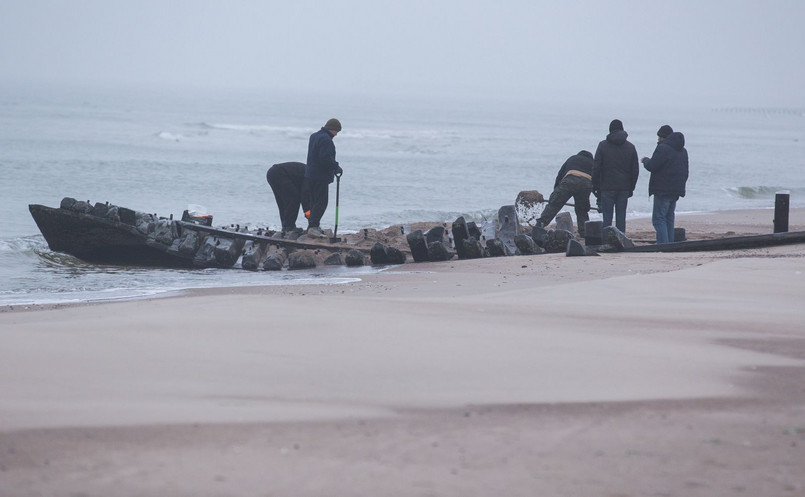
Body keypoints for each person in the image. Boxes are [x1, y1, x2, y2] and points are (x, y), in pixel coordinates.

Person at [641, 125, 689, 244]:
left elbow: (652, 166)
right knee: (669, 217)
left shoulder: (663, 148)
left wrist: (645, 160)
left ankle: (663, 244)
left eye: (659, 137)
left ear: (663, 137)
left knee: (658, 219)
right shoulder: (683, 151)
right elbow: (685, 170)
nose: (658, 139)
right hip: (676, 189)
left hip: (662, 189)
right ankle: (669, 243)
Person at [592, 119, 639, 234]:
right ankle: (620, 239)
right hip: (624, 187)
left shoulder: (603, 145)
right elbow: (635, 170)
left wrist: (595, 186)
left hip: (607, 187)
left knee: (607, 218)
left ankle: (606, 241)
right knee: (621, 217)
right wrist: (631, 188)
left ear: (610, 130)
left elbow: (596, 167)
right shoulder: (631, 147)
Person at [535, 150, 594, 236]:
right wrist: (600, 201)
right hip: (586, 184)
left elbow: (560, 175)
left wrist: (556, 192)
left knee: (554, 205)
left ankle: (539, 226)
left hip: (569, 181)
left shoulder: (573, 158)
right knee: (582, 209)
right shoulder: (593, 163)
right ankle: (583, 231)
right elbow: (597, 182)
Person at [305, 118, 343, 238]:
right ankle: (313, 227)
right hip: (320, 176)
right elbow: (325, 158)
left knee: (314, 202)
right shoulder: (326, 139)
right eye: (337, 131)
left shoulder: (314, 136)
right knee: (321, 202)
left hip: (310, 174)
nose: (336, 134)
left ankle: (312, 226)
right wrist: (336, 167)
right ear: (333, 129)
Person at [266, 161, 310, 235]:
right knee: (294, 198)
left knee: (283, 203)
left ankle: (286, 227)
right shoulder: (309, 177)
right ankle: (289, 227)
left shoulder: (307, 172)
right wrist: (310, 218)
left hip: (272, 173)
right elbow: (305, 199)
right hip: (279, 173)